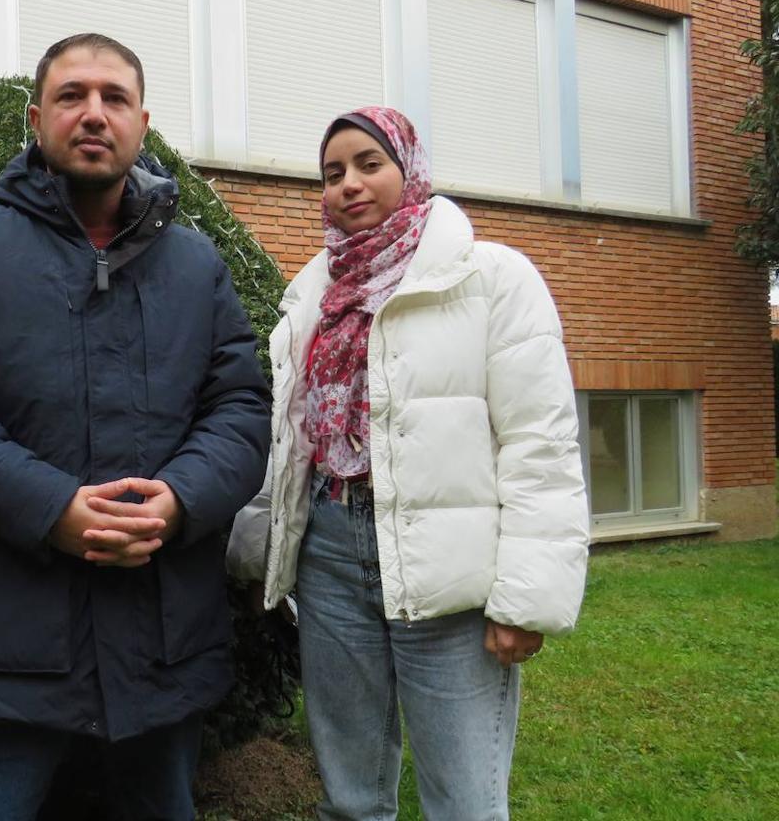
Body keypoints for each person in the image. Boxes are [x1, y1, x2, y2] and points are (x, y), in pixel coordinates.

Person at [0, 33, 270, 820]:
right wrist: (51, 508)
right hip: (11, 639)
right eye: (71, 96)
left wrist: (181, 500)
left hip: (163, 633)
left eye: (114, 98)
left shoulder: (196, 267)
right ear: (36, 118)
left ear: (143, 122)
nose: (93, 114)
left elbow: (241, 410)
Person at [228, 106, 590, 820]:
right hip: (330, 557)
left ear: (411, 169)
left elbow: (539, 444)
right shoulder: (314, 295)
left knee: (464, 803)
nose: (349, 186)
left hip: (448, 571)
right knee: (350, 798)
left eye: (369, 164)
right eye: (333, 174)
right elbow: (292, 438)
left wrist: (525, 599)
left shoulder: (492, 278)